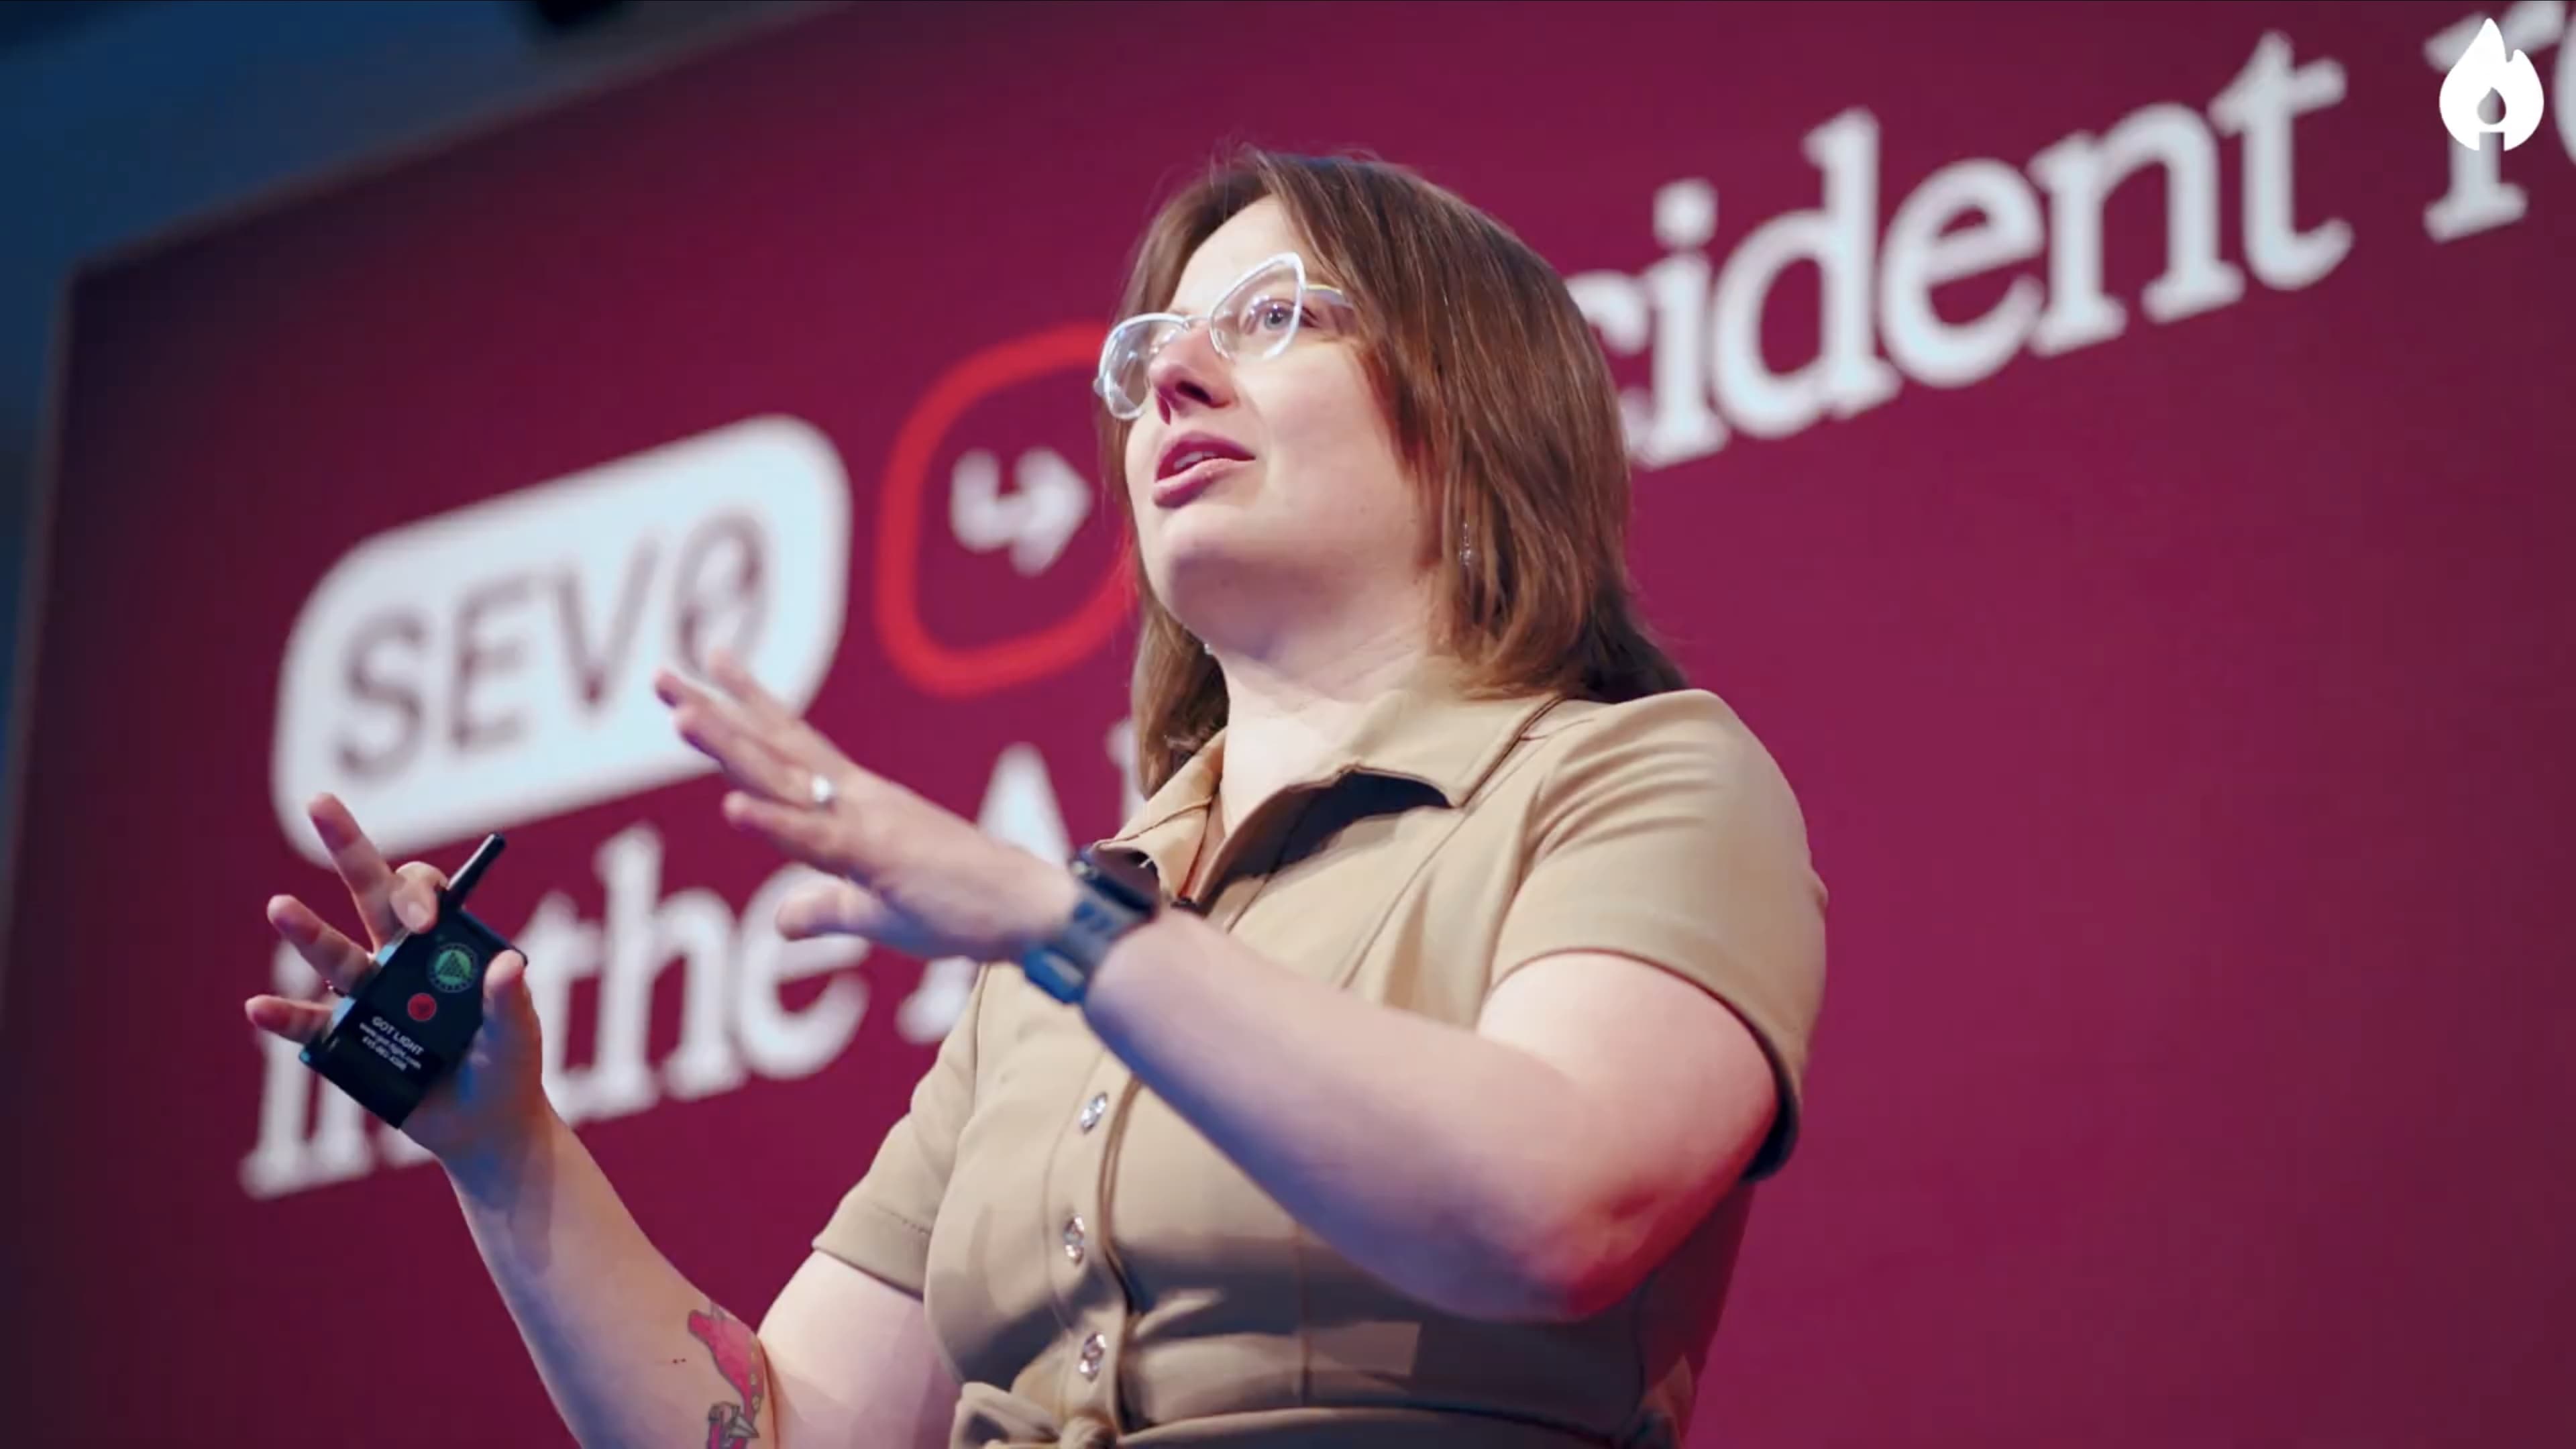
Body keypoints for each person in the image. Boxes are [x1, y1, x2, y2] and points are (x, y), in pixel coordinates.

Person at [247, 150, 1827, 1449]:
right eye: (1150, 355)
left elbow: (1554, 1206)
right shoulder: (1059, 963)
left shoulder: (1634, 776)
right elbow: (774, 1437)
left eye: (1275, 318)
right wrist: (504, 1147)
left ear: (1476, 408)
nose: (1173, 378)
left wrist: (1056, 924)